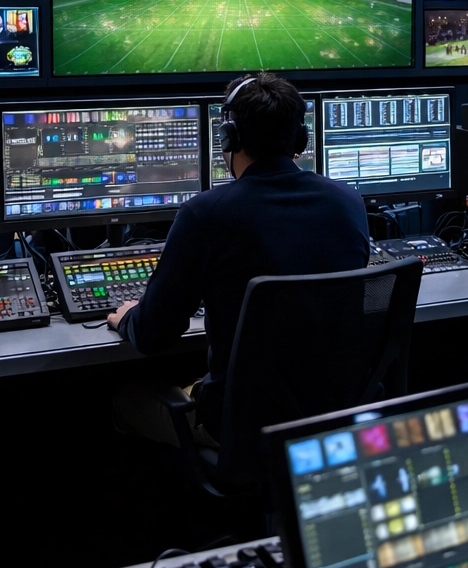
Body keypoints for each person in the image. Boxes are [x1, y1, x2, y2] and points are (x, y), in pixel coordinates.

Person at [107, 72, 370, 445]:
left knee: (125, 399)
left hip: (245, 428)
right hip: (336, 415)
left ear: (228, 137)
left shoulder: (206, 214)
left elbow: (153, 335)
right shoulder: (348, 202)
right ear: (300, 138)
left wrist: (127, 318)